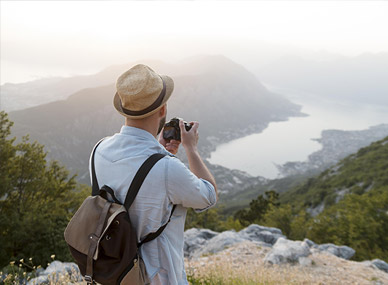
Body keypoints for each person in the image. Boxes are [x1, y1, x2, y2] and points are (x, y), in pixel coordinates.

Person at [89, 64, 218, 284]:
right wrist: (191, 149)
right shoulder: (166, 168)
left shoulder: (99, 149)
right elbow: (208, 196)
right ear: (162, 110)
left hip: (112, 271)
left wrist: (158, 151)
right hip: (156, 275)